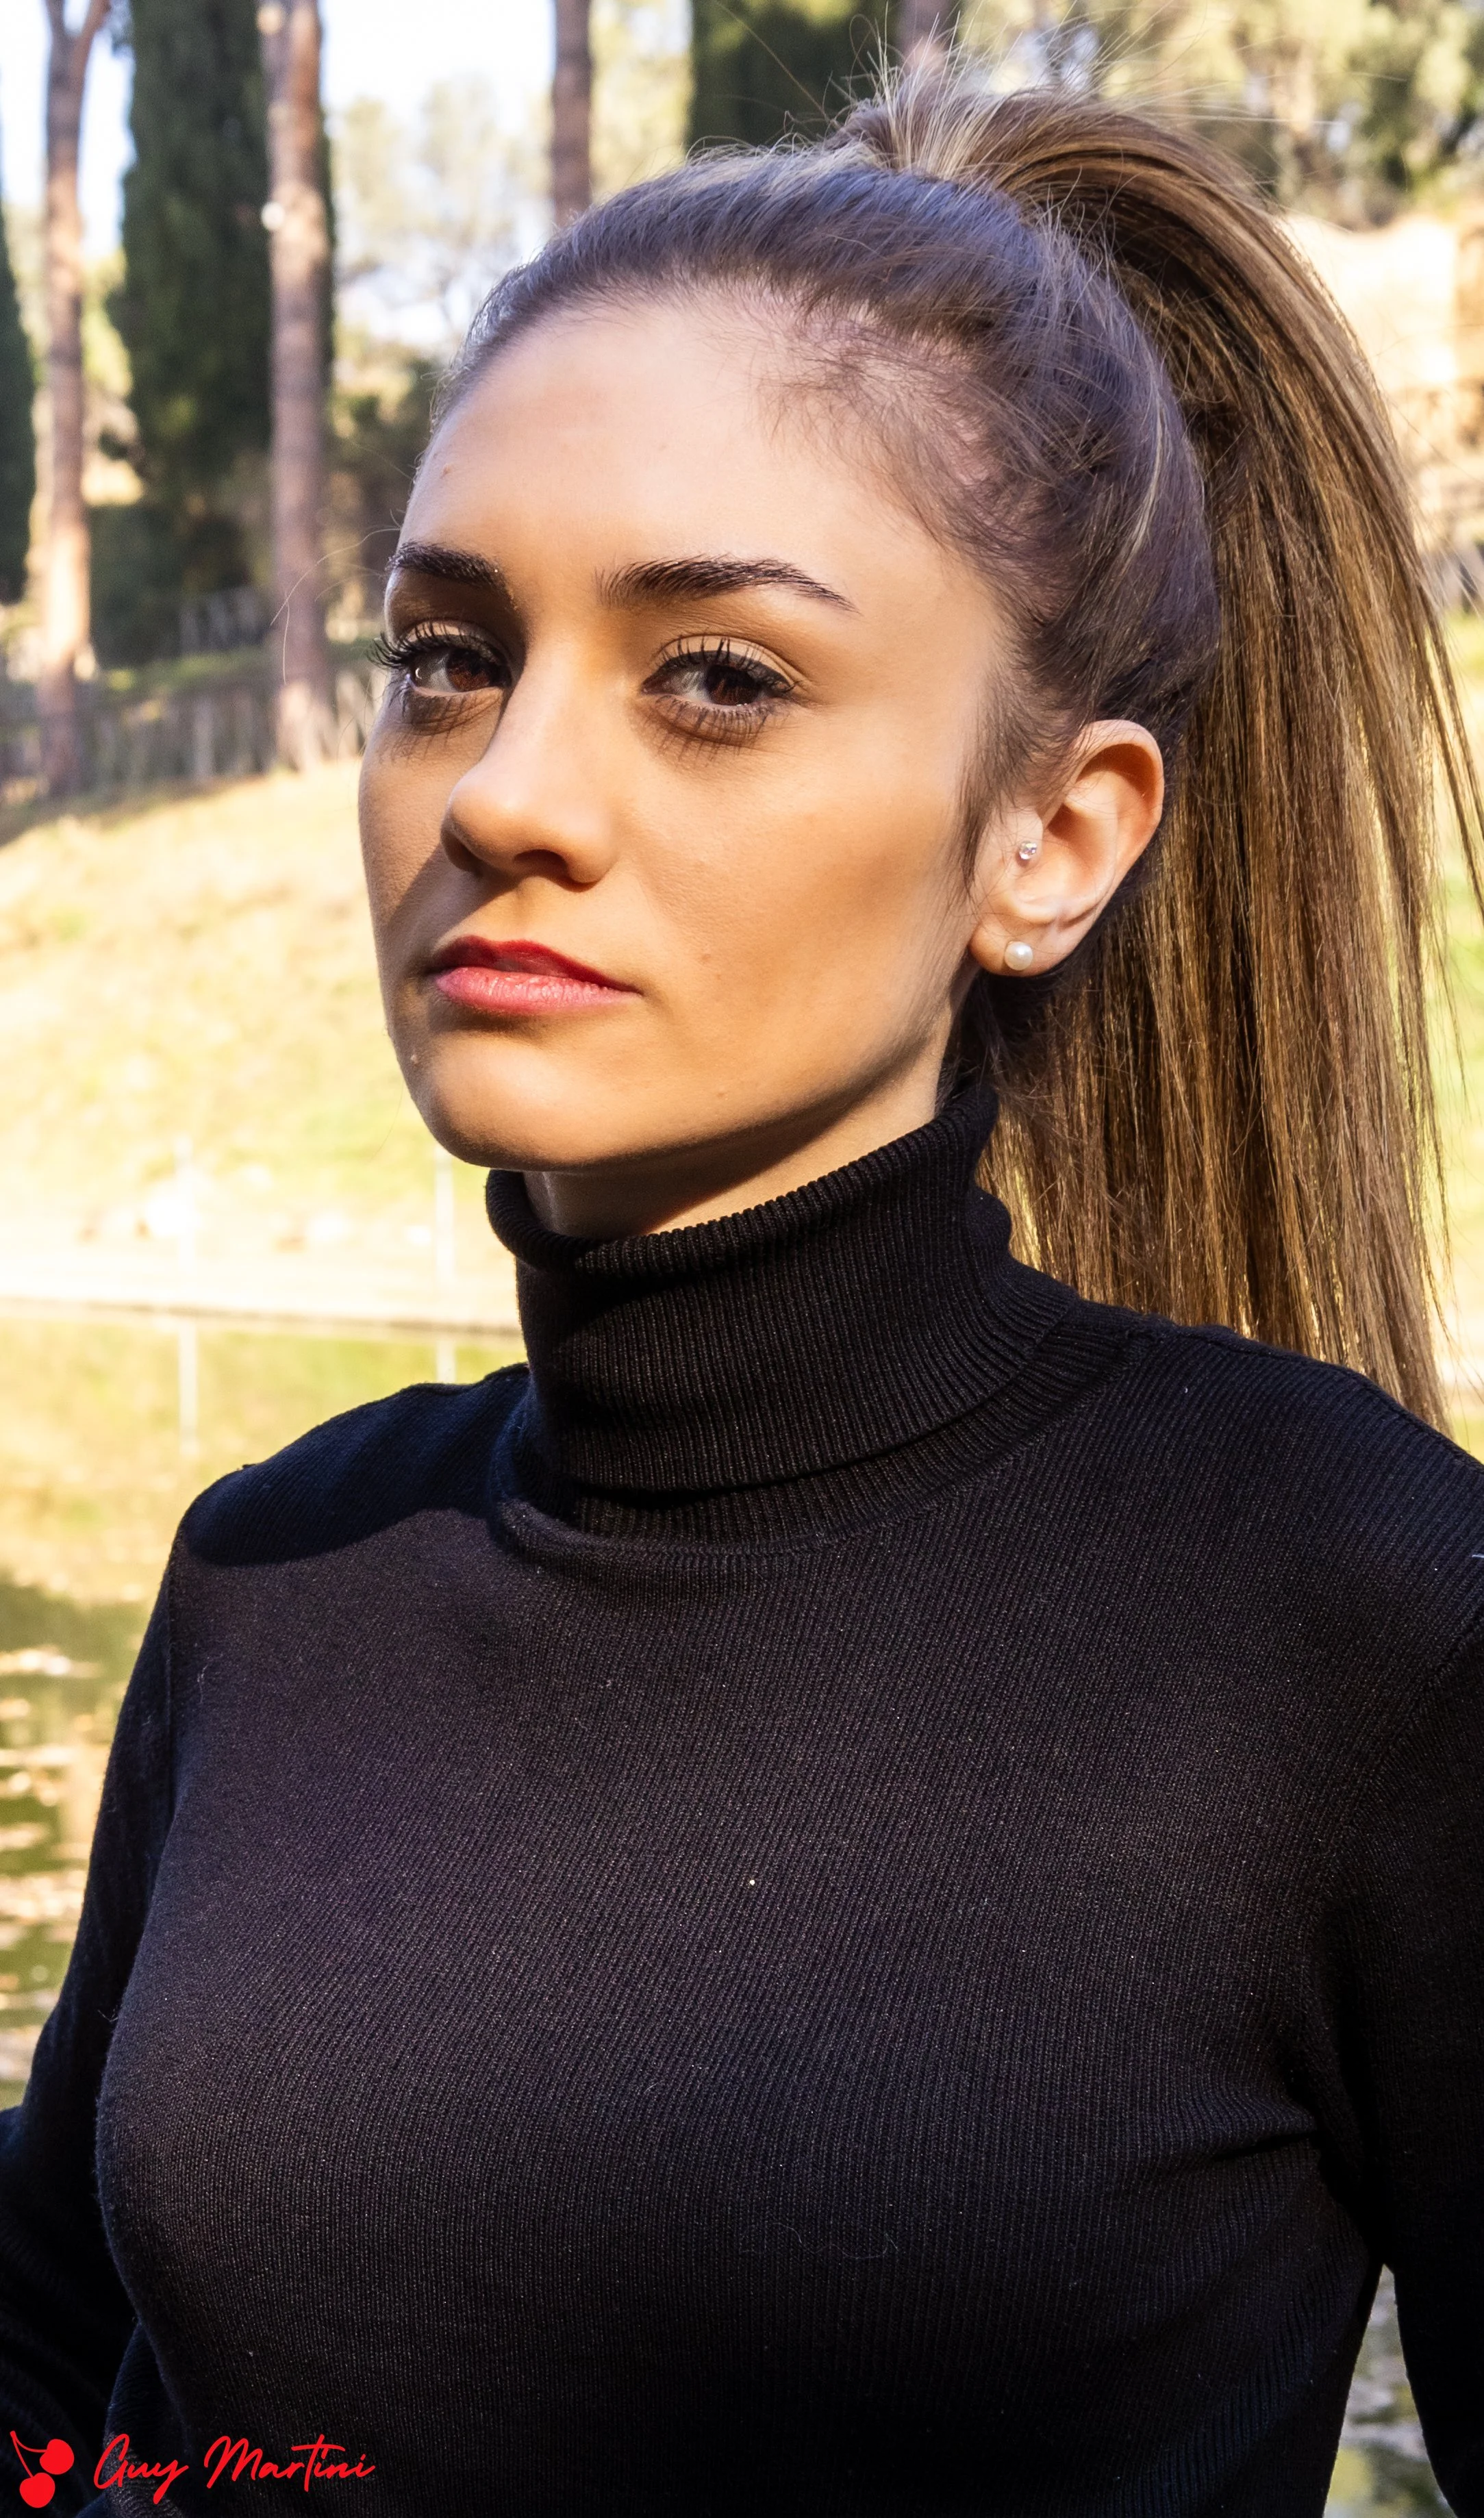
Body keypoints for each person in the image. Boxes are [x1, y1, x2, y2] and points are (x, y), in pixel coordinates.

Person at [3, 68, 1483, 2518]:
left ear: (1052, 832)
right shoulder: (277, 1571)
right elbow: (62, 2370)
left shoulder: (1357, 1617)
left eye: (713, 676)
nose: (500, 792)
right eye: (445, 653)